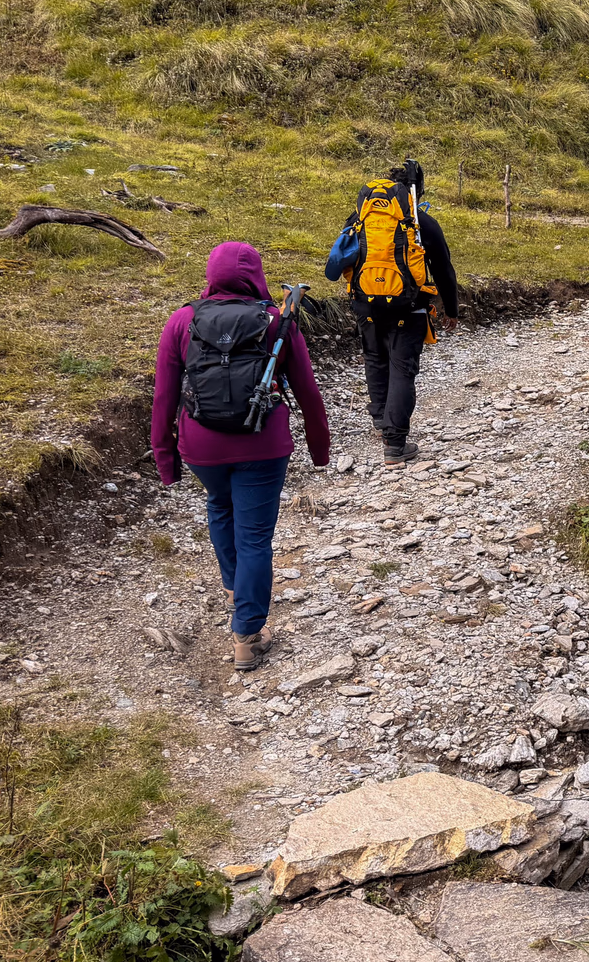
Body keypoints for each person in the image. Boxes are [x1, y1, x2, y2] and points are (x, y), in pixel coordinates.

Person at [152, 242, 330, 670]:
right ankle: (247, 634)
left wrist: (166, 457)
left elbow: (163, 396)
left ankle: (236, 589)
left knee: (219, 504)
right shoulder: (276, 322)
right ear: (256, 275)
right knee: (254, 536)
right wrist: (319, 448)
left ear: (211, 274)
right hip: (262, 446)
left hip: (201, 446)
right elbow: (307, 391)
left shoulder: (182, 321)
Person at [327, 161, 459, 468]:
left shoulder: (360, 219)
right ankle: (395, 444)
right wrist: (450, 309)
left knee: (375, 359)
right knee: (402, 369)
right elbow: (443, 269)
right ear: (417, 191)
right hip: (408, 307)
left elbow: (338, 259)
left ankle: (380, 422)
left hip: (366, 303)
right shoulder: (421, 223)